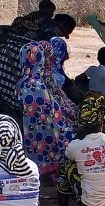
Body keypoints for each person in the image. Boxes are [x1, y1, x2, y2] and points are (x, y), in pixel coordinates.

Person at [18, 39, 74, 175]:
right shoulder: (37, 85)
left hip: (32, 131)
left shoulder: (23, 81)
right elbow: (48, 115)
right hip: (44, 133)